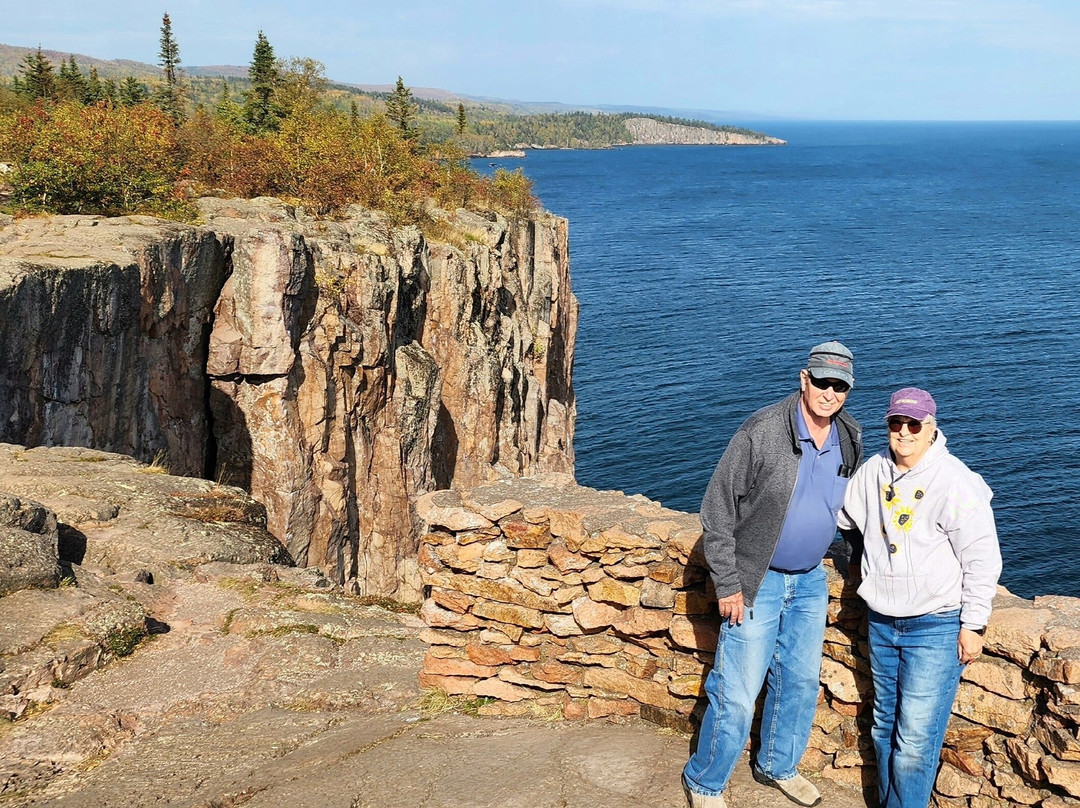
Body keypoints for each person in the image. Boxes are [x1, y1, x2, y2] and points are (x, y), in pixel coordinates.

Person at [683, 341, 863, 808]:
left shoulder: (851, 436)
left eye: (839, 386)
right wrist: (729, 583)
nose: (829, 392)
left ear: (848, 390)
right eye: (821, 382)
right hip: (755, 582)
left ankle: (778, 766)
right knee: (738, 691)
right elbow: (717, 510)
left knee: (800, 683)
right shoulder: (761, 431)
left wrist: (860, 563)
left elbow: (848, 513)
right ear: (804, 379)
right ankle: (705, 781)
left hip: (810, 580)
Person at [838, 388, 1001, 808]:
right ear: (888, 425)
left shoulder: (956, 481)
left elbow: (982, 559)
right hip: (881, 619)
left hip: (936, 623)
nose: (904, 432)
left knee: (913, 741)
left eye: (914, 425)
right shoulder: (874, 470)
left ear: (931, 427)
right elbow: (847, 520)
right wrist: (859, 562)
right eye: (897, 423)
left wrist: (974, 624)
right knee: (882, 726)